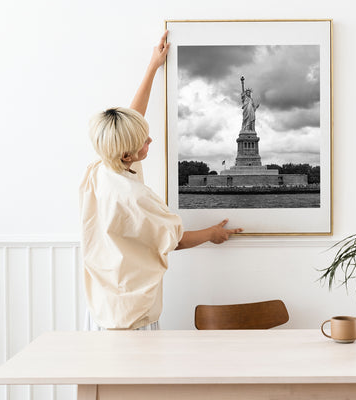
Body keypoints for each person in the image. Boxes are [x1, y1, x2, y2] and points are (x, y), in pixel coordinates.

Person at [79, 31, 242, 331]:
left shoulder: (102, 169)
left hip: (102, 306)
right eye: (144, 142)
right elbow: (175, 239)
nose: (150, 140)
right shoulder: (133, 197)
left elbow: (131, 120)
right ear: (127, 155)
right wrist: (212, 234)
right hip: (130, 318)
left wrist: (153, 66)